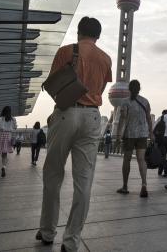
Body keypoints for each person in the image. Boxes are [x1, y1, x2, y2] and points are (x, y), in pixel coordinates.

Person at [37, 17, 112, 252]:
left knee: (53, 174)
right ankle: (71, 241)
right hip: (92, 118)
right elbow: (99, 89)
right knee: (84, 181)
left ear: (79, 32)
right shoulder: (106, 58)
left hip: (67, 112)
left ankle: (48, 231)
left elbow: (55, 84)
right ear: (98, 35)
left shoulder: (65, 52)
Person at [116, 80, 153, 197]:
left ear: (129, 89)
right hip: (142, 135)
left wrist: (118, 135)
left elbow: (122, 119)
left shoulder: (125, 102)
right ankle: (144, 184)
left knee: (127, 159)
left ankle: (125, 186)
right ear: (139, 88)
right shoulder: (145, 101)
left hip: (129, 134)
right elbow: (149, 119)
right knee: (141, 160)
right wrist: (151, 132)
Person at [0, 106, 17, 178]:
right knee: (4, 154)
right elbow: (15, 128)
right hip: (8, 136)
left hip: (0, 136)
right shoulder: (13, 119)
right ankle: (3, 167)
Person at [153, 109, 167, 177]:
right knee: (163, 154)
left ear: (163, 113)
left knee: (162, 155)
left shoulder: (161, 117)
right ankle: (160, 171)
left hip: (161, 138)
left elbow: (154, 128)